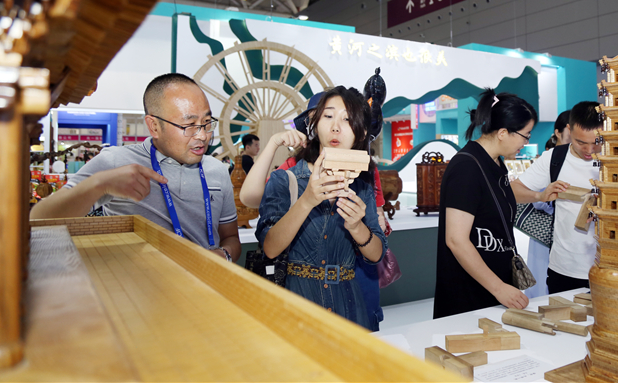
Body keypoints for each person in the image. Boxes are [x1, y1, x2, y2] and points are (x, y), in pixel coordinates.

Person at [30, 73, 241, 263]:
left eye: (206, 122)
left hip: (203, 285)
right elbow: (39, 219)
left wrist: (224, 254)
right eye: (189, 125)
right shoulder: (116, 161)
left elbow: (231, 237)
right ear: (154, 126)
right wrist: (100, 184)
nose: (202, 135)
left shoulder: (217, 170)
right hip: (134, 288)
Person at [256, 86, 386, 329]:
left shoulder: (362, 187)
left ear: (361, 132)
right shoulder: (284, 180)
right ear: (315, 125)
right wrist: (306, 201)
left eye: (347, 119)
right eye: (328, 116)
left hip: (349, 306)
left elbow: (376, 254)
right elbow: (270, 248)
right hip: (297, 305)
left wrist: (357, 227)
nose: (336, 127)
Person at [433, 89, 540, 319]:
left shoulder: (495, 163)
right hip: (470, 293)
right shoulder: (467, 167)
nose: (526, 143)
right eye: (525, 135)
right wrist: (498, 288)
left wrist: (540, 196)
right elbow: (456, 240)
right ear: (503, 133)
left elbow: (491, 202)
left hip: (494, 288)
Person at [513, 101, 602, 294]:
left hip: (611, 268)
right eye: (581, 142)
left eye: (597, 142)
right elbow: (513, 191)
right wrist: (540, 195)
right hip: (564, 268)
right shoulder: (554, 158)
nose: (589, 150)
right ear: (569, 130)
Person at [523, 110, 571, 299]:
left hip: (569, 235)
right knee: (542, 278)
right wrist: (548, 198)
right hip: (544, 232)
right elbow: (531, 197)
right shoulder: (549, 159)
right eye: (570, 132)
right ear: (558, 132)